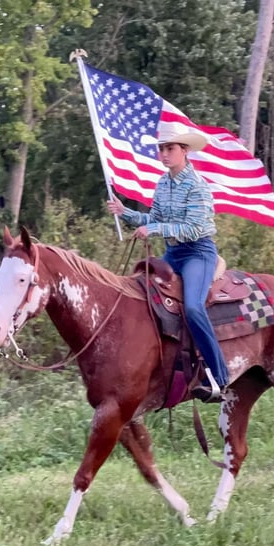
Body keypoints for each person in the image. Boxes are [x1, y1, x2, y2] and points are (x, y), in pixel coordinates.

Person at [107, 125, 230, 402]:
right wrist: (124, 212)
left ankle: (219, 376)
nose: (164, 154)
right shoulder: (163, 183)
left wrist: (156, 230)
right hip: (173, 253)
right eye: (161, 149)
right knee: (140, 294)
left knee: (193, 308)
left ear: (184, 151)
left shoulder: (198, 186)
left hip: (197, 252)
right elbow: (155, 217)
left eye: (170, 149)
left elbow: (194, 228)